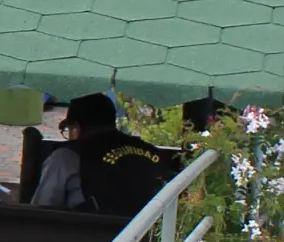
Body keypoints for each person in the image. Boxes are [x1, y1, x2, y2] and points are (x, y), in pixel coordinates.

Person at [29, 92, 179, 216]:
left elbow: (41, 210)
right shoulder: (149, 151)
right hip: (152, 236)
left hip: (89, 237)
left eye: (68, 130)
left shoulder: (67, 156)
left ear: (76, 127)